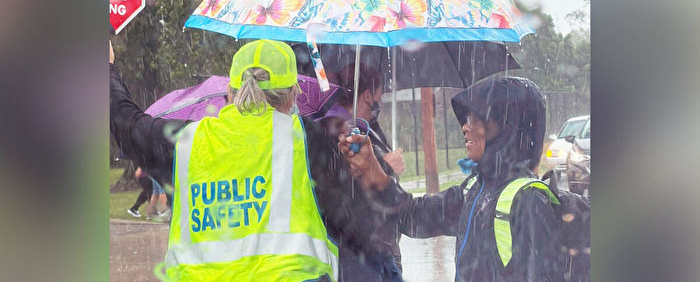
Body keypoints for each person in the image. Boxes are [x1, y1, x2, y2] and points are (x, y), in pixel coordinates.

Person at [110, 39, 408, 281]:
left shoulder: (183, 142)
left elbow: (125, 122)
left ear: (230, 91)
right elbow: (360, 230)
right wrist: (368, 173)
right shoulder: (310, 141)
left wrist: (105, 68)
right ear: (292, 96)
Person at [343, 76, 564, 282]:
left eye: (477, 119)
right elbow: (410, 216)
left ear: (507, 130)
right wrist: (370, 166)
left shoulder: (528, 201)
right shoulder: (475, 190)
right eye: (468, 119)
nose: (465, 127)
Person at [317, 64, 405, 280]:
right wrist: (385, 168)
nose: (379, 104)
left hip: (379, 248)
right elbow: (339, 191)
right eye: (378, 96)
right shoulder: (330, 133)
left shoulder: (367, 128)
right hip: (357, 253)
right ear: (367, 96)